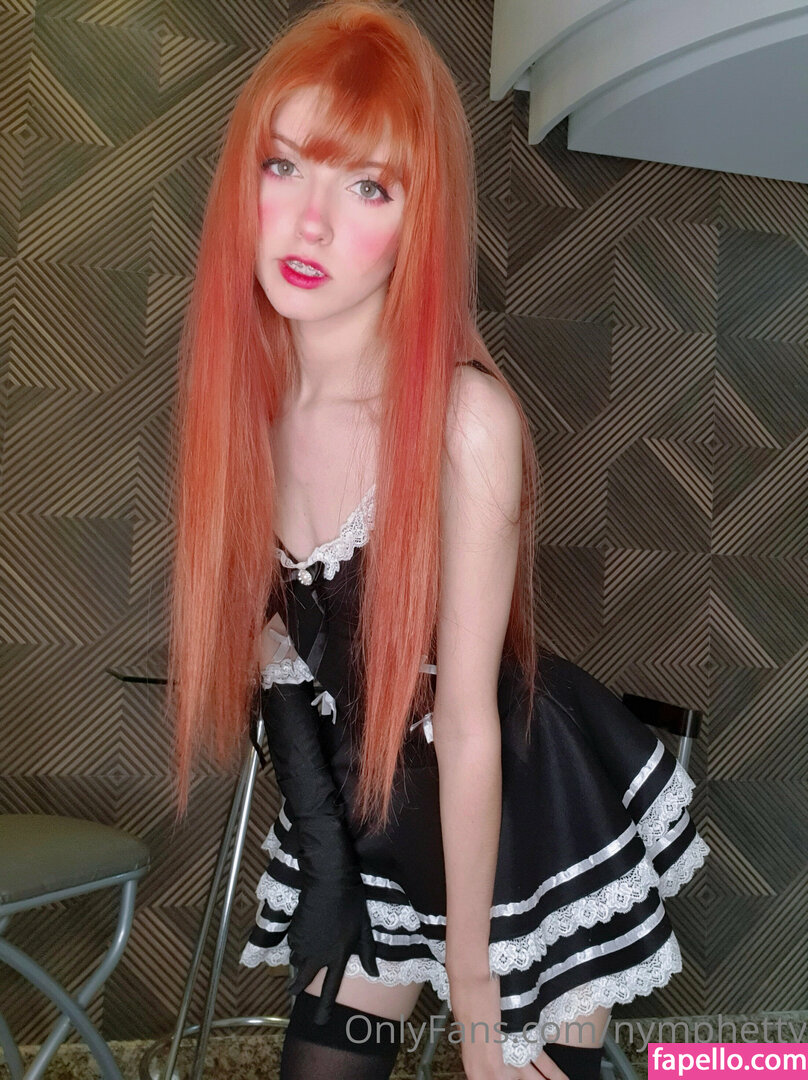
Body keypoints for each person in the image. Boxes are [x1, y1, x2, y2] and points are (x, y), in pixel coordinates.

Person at [166, 2, 710, 1078]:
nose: (310, 223)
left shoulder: (465, 422)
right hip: (376, 822)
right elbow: (285, 665)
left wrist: (475, 992)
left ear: (420, 220)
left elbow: (464, 724)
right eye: (284, 166)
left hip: (516, 822)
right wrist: (328, 865)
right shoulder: (247, 414)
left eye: (368, 186)